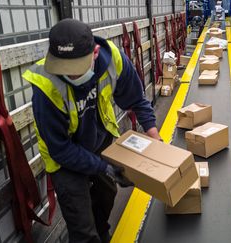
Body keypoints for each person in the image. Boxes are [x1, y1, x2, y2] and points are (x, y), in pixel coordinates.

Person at [22, 18, 161, 243]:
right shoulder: (45, 85)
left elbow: (136, 98)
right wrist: (103, 167)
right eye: (64, 70)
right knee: (81, 224)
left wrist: (155, 137)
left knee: (107, 195)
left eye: (76, 70)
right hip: (63, 158)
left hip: (99, 140)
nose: (71, 76)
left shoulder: (113, 60)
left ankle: (102, 231)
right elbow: (60, 150)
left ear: (95, 53)